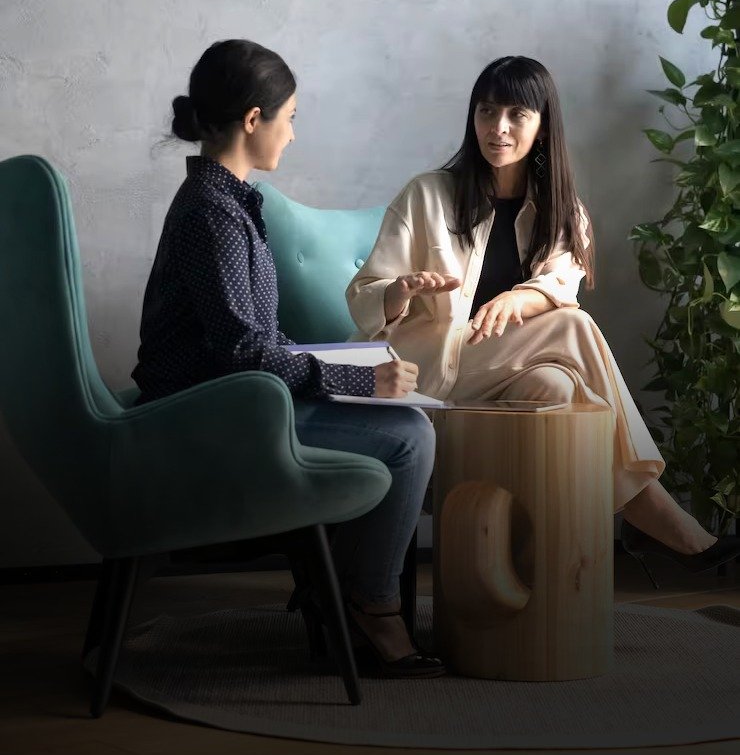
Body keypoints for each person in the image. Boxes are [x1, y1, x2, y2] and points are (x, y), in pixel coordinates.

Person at [347, 55, 740, 583]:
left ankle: (530, 567)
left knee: (557, 386)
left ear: (544, 125)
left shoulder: (561, 208)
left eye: (517, 114)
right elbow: (363, 297)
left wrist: (520, 300)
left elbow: (561, 281)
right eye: (487, 111)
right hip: (427, 372)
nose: (499, 127)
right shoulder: (427, 195)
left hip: (501, 377)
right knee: (574, 327)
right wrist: (400, 290)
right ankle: (649, 511)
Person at [132, 39, 443, 677]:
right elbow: (244, 354)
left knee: (403, 424)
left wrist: (344, 370)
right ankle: (370, 605)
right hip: (208, 416)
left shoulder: (225, 201)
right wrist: (359, 379)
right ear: (254, 119)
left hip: (231, 400)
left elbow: (252, 343)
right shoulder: (214, 214)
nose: (293, 134)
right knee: (409, 437)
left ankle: (340, 588)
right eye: (290, 117)